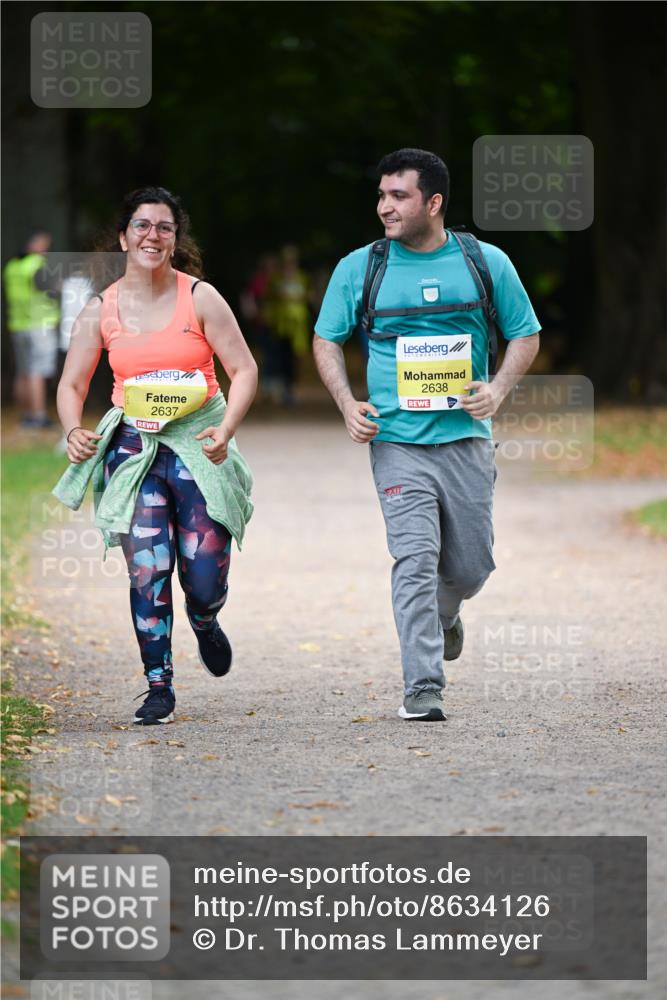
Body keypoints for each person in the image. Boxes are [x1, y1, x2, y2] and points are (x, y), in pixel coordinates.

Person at [313, 148, 540, 722]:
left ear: (433, 203)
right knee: (414, 558)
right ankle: (422, 684)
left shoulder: (485, 262)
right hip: (397, 444)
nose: (384, 206)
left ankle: (445, 615)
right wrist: (347, 403)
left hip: (466, 439)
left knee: (470, 568)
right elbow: (326, 340)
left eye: (399, 196)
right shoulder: (361, 267)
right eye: (382, 194)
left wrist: (498, 390)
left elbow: (525, 335)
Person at [53, 186, 257, 725]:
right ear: (123, 237)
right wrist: (73, 429)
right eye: (142, 226)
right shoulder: (103, 308)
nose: (153, 235)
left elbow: (244, 370)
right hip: (133, 449)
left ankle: (206, 619)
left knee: (204, 575)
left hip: (199, 444)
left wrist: (227, 428)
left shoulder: (201, 298)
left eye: (164, 227)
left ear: (175, 238)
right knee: (148, 569)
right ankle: (158, 684)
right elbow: (72, 384)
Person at [3, 232, 60, 428]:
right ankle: (39, 415)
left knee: (23, 371)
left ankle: (26, 415)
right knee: (38, 371)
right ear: (33, 244)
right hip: (40, 324)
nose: (46, 249)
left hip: (19, 324)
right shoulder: (37, 265)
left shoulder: (13, 266)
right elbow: (50, 290)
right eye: (44, 245)